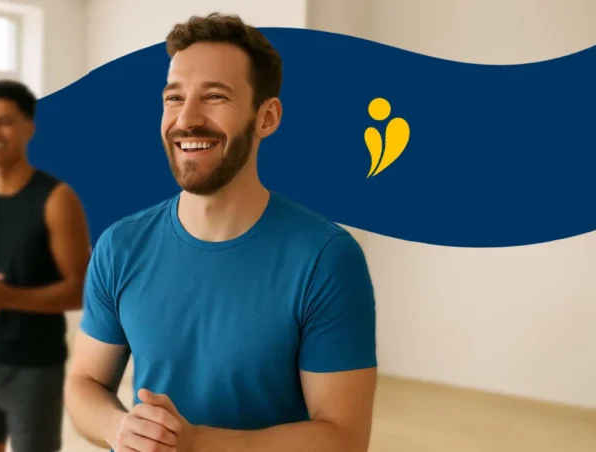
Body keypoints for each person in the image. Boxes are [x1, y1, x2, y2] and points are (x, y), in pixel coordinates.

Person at [64, 13, 378, 452]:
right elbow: (84, 382)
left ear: (266, 117)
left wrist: (195, 443)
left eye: (214, 96)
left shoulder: (325, 258)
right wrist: (117, 427)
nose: (186, 119)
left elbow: (344, 438)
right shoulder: (120, 246)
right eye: (174, 98)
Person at [0, 80, 91, 452]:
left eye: (5, 122)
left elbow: (81, 290)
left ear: (29, 127)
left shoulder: (57, 199)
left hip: (34, 366)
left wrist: (9, 297)